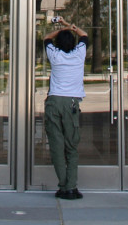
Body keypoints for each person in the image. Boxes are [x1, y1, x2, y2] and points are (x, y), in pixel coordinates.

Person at [43, 15, 88, 200]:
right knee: (71, 146)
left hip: (54, 102)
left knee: (56, 146)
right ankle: (71, 187)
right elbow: (83, 34)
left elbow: (46, 38)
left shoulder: (54, 55)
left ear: (59, 43)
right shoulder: (79, 54)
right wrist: (68, 25)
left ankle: (63, 186)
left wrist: (60, 27)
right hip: (71, 103)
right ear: (74, 43)